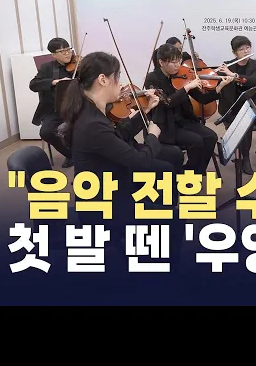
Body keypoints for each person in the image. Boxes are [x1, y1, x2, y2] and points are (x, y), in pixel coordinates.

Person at [58, 51, 183, 253]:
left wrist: (144, 111)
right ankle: (159, 259)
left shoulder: (91, 110)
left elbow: (118, 136)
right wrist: (152, 136)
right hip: (103, 203)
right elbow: (140, 161)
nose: (121, 84)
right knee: (173, 217)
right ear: (103, 80)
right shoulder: (92, 123)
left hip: (110, 183)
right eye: (117, 78)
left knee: (164, 173)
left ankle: (153, 239)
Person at [144, 43, 233, 175]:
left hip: (184, 120)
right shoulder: (152, 78)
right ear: (161, 62)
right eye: (173, 62)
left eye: (179, 61)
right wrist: (187, 87)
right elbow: (167, 102)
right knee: (196, 141)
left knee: (211, 137)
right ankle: (189, 173)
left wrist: (220, 86)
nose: (177, 65)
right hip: (166, 125)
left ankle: (195, 172)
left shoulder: (181, 75)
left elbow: (202, 98)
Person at [217, 35, 256, 176]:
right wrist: (219, 75)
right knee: (246, 128)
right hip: (235, 108)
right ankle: (245, 158)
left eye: (248, 48)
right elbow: (218, 85)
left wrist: (234, 75)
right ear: (234, 52)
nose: (245, 51)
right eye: (241, 49)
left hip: (254, 104)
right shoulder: (227, 65)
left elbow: (253, 81)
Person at [29, 37, 75, 168]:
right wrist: (54, 82)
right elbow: (33, 85)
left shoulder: (79, 65)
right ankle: (70, 154)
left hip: (77, 107)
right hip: (55, 110)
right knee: (46, 132)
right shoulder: (47, 68)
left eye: (68, 50)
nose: (67, 54)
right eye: (62, 51)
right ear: (54, 55)